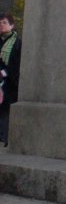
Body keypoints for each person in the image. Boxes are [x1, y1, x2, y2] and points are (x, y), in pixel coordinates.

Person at [0, 12, 22, 146]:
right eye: (0, 23)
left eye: (4, 23)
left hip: (11, 82)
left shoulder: (17, 43)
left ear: (12, 25)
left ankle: (6, 137)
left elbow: (18, 61)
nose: (1, 26)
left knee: (7, 110)